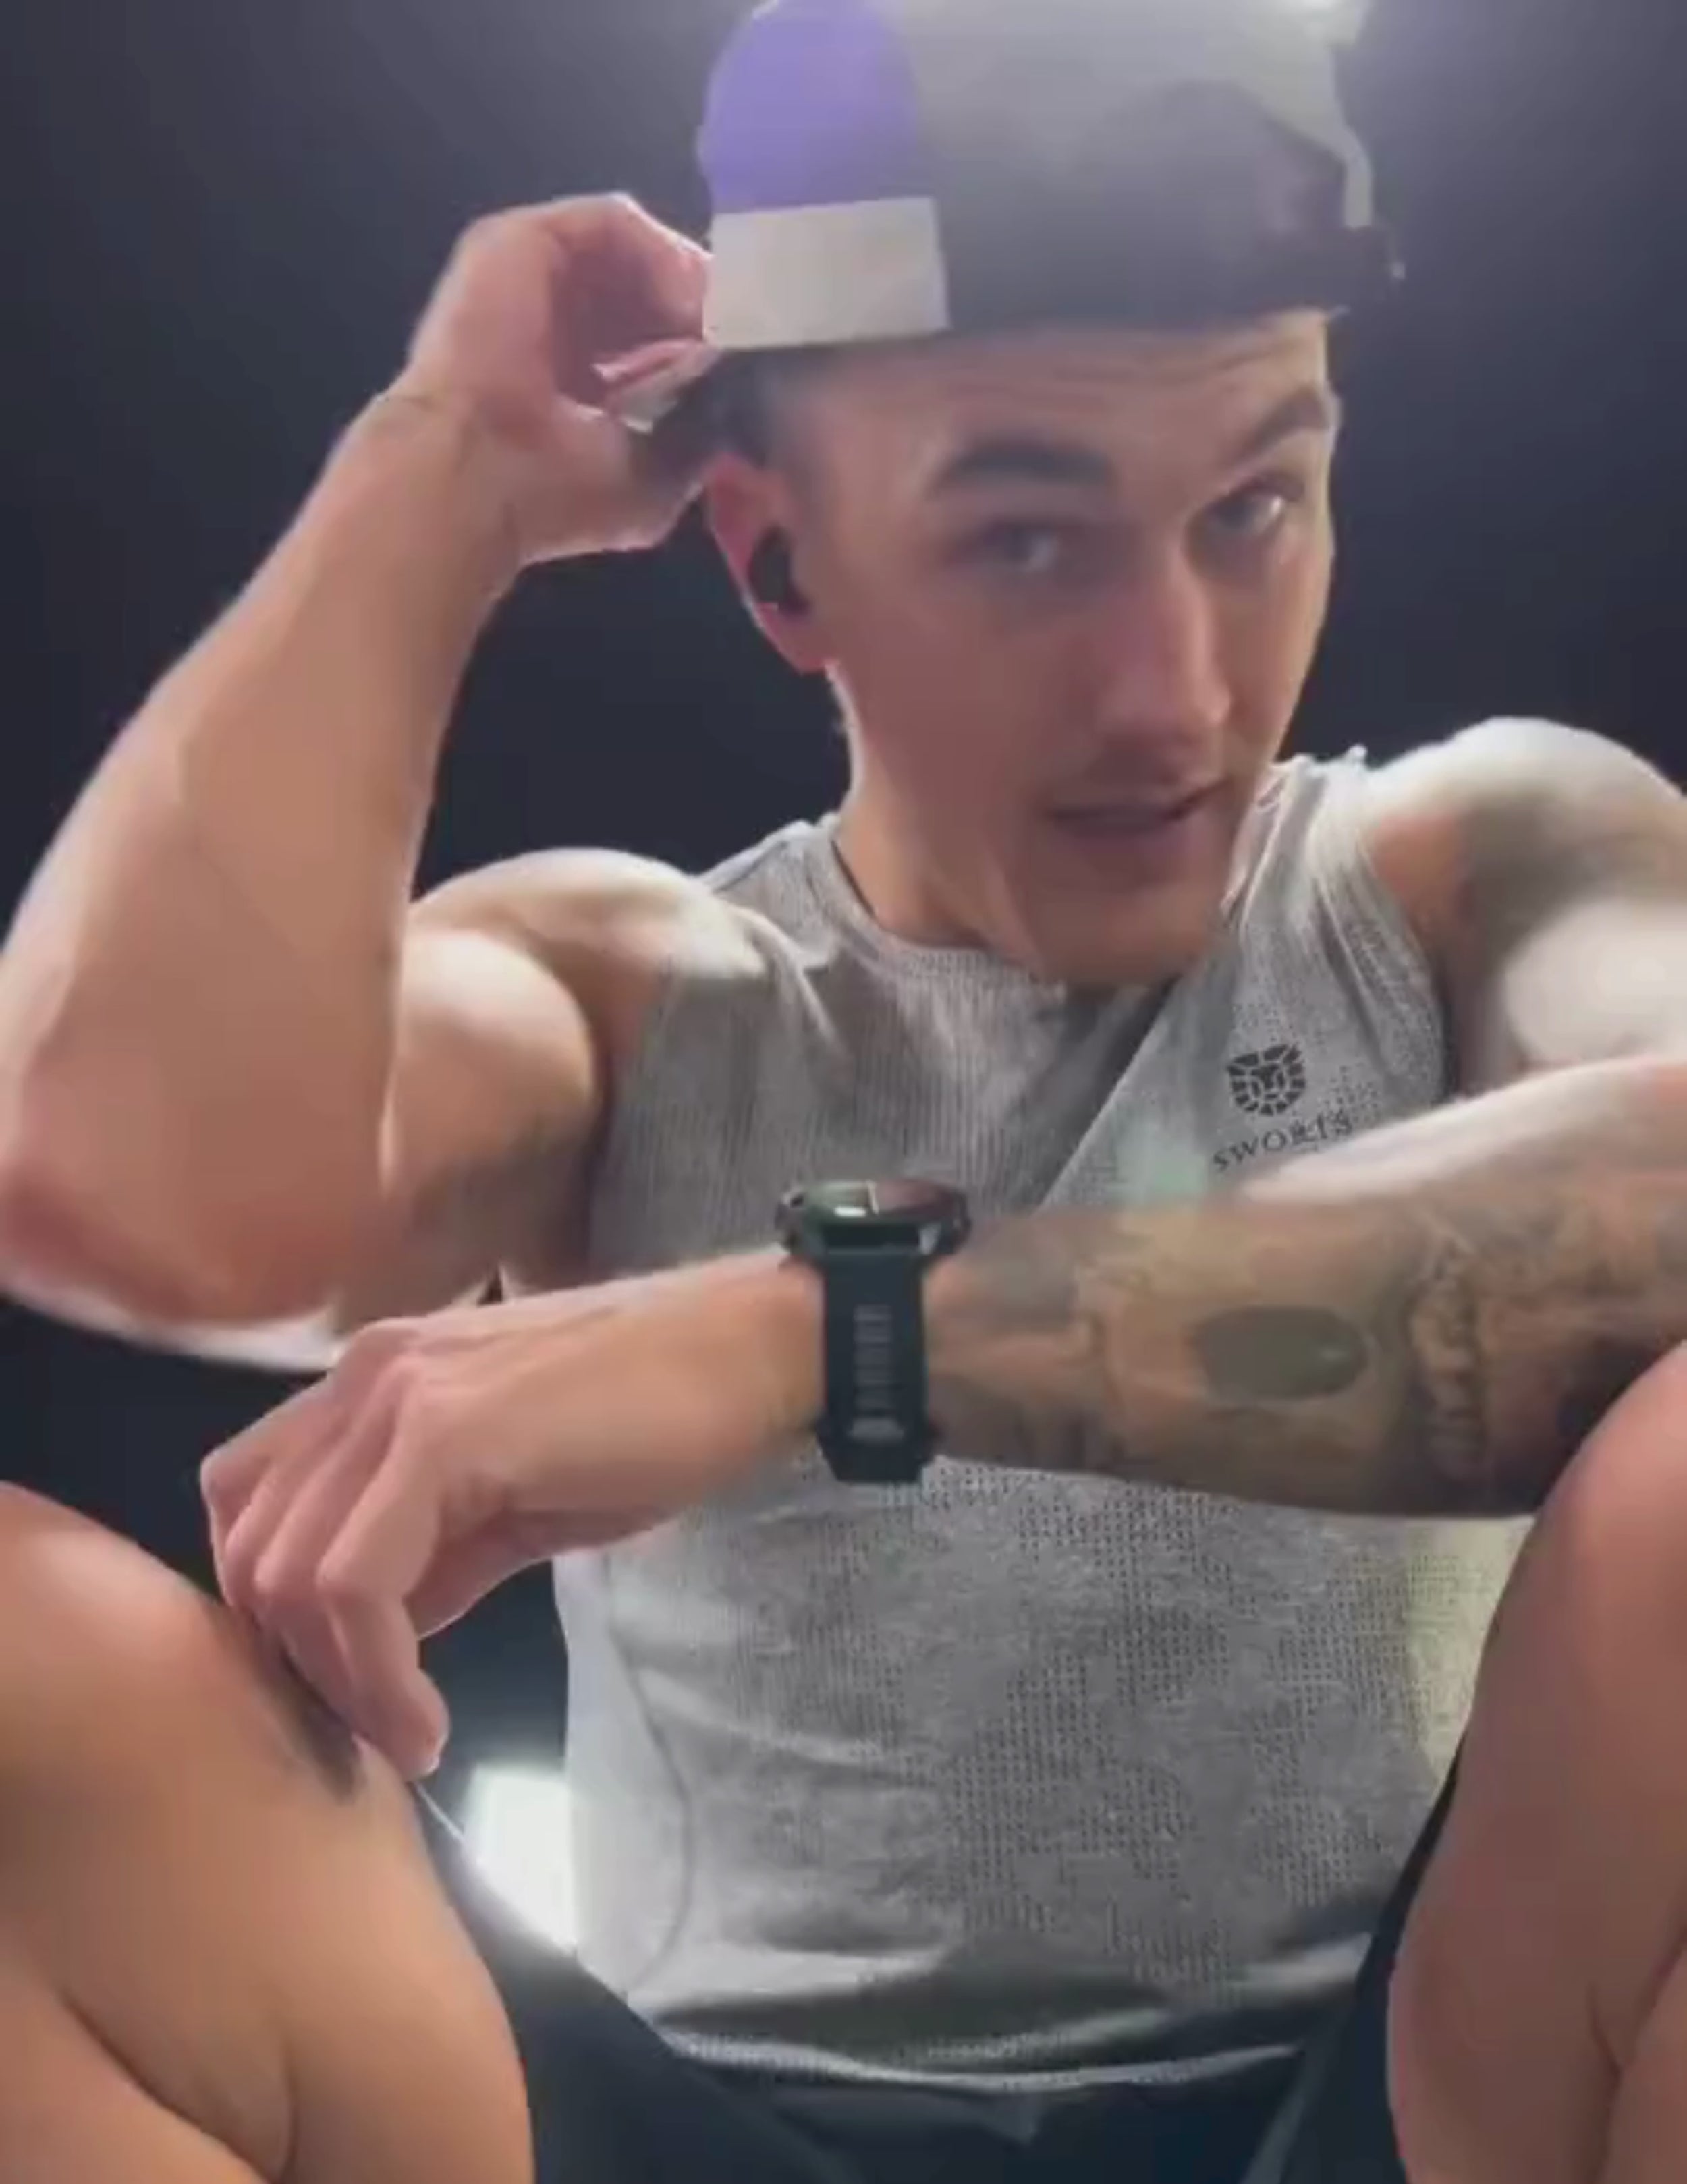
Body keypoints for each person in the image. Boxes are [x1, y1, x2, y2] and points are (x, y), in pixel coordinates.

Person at [3, 0, 1687, 2177]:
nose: (1174, 689)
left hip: (1400, 2110)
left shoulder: (1471, 865)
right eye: (1024, 538)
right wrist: (441, 472)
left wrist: (819, 1341)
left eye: (1253, 503)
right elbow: (119, 1183)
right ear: (781, 561)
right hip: (682, 2131)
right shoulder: (632, 994)